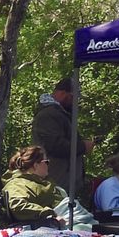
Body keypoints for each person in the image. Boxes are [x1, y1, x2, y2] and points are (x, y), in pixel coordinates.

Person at [32, 75, 93, 205]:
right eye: (72, 97)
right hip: (56, 180)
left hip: (62, 181)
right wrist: (83, 146)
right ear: (62, 93)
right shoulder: (48, 114)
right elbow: (55, 146)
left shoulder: (59, 113)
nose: (75, 102)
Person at [0, 146, 64, 227]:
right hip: (46, 227)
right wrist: (50, 214)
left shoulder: (41, 182)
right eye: (46, 162)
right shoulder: (17, 184)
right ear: (36, 165)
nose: (48, 165)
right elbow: (18, 205)